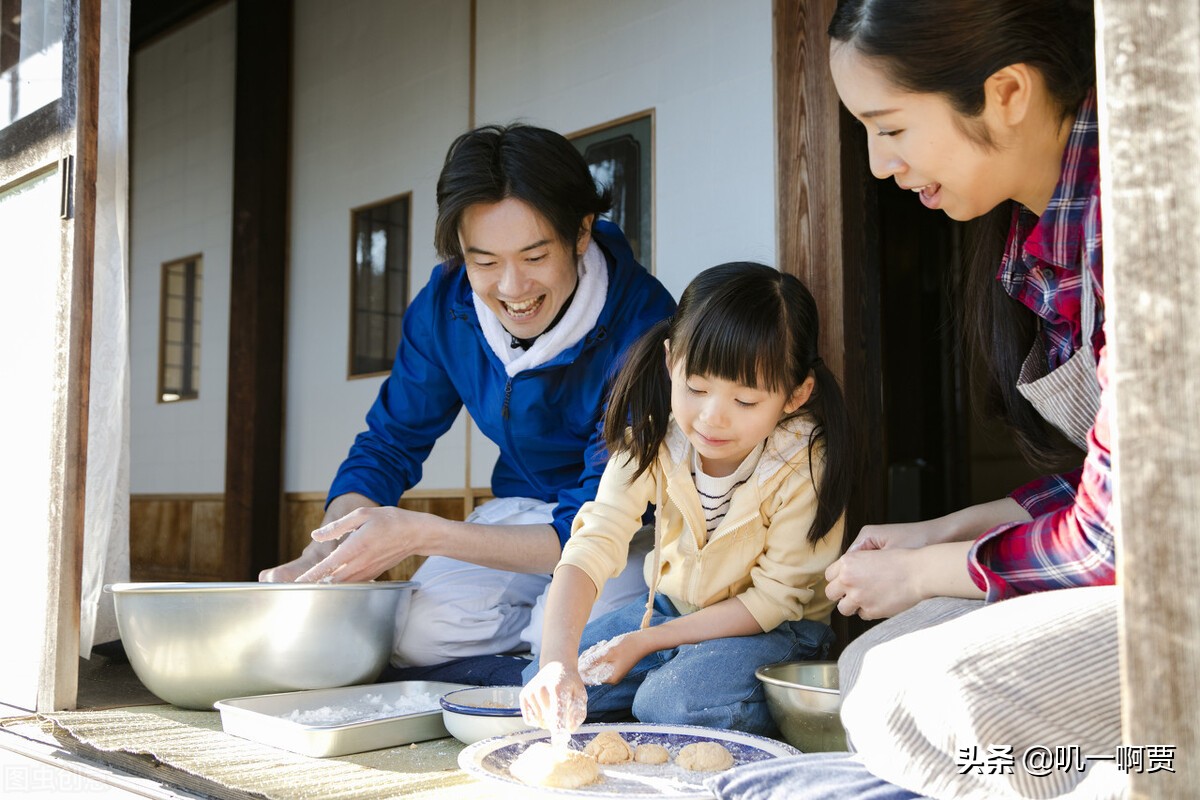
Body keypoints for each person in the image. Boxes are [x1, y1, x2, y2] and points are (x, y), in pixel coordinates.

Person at [712, 1, 1124, 798]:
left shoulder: (1139, 217)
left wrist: (931, 570)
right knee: (870, 664)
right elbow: (1115, 484)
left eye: (890, 126)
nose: (875, 163)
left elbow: (1118, 539)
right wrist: (952, 528)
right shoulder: (1037, 241)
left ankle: (1151, 775)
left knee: (919, 698)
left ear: (1006, 92)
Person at [260, 124, 676, 670]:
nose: (511, 288)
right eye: (484, 261)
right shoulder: (446, 307)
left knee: (579, 641)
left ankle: (536, 663)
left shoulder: (643, 323)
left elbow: (594, 518)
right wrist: (324, 551)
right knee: (414, 637)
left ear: (580, 233)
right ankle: (521, 664)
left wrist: (421, 533)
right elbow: (389, 444)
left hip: (620, 526)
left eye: (533, 257)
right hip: (518, 507)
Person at [519, 262, 853, 737]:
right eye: (696, 388)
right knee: (544, 684)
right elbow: (593, 544)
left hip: (776, 631)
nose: (712, 419)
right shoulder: (651, 440)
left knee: (673, 703)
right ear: (672, 361)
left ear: (796, 395)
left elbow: (773, 601)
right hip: (674, 611)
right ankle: (674, 678)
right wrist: (557, 660)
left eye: (746, 402)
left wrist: (647, 642)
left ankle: (690, 689)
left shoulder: (802, 461)